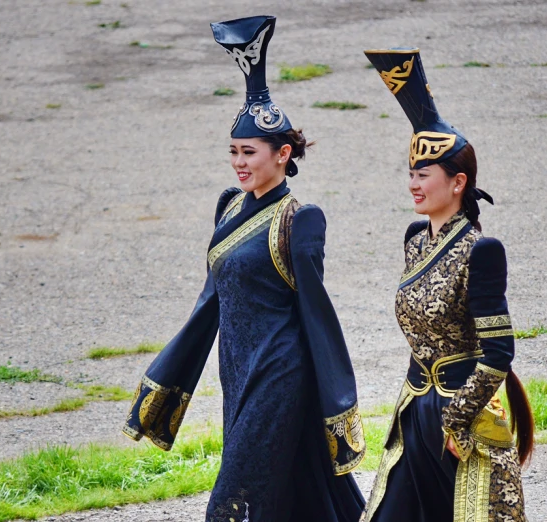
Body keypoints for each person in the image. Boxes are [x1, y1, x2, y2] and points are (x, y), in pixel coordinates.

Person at [122, 15, 366, 522]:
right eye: (233, 151)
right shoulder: (229, 207)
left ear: (282, 154)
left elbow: (317, 315)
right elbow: (210, 301)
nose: (238, 162)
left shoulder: (301, 219)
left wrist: (337, 401)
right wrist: (166, 379)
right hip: (237, 370)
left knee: (236, 496)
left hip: (280, 373)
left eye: (248, 152)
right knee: (303, 492)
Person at [359, 48, 534, 522]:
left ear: (458, 183)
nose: (413, 184)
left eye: (424, 175)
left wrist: (458, 420)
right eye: (411, 174)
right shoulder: (415, 240)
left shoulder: (482, 250)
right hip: (414, 408)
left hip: (464, 417)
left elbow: (499, 352)